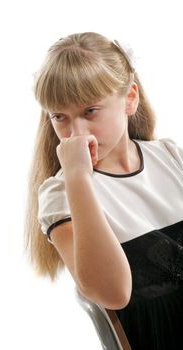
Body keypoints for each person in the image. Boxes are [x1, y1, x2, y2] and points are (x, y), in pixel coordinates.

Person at [25, 32, 183, 350]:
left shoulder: (170, 156)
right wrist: (78, 177)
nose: (76, 133)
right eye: (60, 117)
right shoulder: (60, 195)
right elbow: (113, 294)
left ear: (130, 99)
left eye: (90, 112)